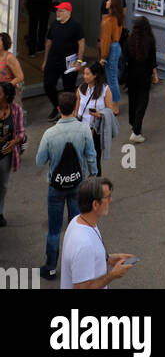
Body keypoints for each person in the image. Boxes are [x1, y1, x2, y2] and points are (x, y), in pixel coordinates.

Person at [35, 89, 97, 280]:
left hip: (56, 186)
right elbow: (91, 156)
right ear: (74, 108)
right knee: (77, 227)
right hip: (78, 183)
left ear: (59, 108)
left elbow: (39, 160)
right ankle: (76, 267)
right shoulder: (84, 129)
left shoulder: (50, 133)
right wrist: (93, 175)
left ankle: (51, 267)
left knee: (54, 230)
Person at [60, 175, 136, 289]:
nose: (111, 200)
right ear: (95, 204)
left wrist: (109, 258)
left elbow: (88, 258)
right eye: (108, 197)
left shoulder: (78, 221)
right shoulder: (84, 244)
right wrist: (112, 275)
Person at [42, 2, 85, 121]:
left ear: (68, 12)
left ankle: (70, 113)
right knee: (48, 84)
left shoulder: (76, 25)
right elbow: (48, 42)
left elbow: (81, 43)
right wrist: (45, 60)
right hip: (53, 61)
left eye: (61, 11)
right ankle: (57, 107)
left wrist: (79, 61)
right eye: (57, 10)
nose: (58, 13)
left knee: (69, 89)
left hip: (69, 63)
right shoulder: (55, 24)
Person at [74, 61, 114, 175]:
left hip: (95, 131)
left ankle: (96, 185)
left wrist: (100, 114)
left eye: (88, 74)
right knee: (79, 159)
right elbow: (76, 108)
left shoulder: (105, 90)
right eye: (84, 73)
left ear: (95, 75)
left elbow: (110, 110)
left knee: (94, 160)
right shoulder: (81, 89)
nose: (85, 76)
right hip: (81, 130)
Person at [126, 17, 158, 142]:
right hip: (144, 75)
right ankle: (136, 131)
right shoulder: (149, 41)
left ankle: (133, 122)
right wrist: (155, 75)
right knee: (142, 102)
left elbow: (126, 57)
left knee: (132, 99)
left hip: (131, 74)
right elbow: (152, 61)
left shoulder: (129, 40)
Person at [0, 81, 26, 227]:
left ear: (7, 96)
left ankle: (0, 212)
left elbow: (22, 132)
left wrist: (15, 141)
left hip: (5, 155)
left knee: (2, 185)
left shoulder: (16, 110)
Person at [100, 0, 124, 114]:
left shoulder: (108, 21)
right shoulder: (119, 18)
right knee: (112, 76)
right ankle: (114, 102)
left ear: (112, 4)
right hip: (117, 46)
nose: (106, 2)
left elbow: (105, 40)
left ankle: (114, 104)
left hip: (111, 48)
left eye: (109, 0)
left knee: (111, 77)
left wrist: (103, 56)